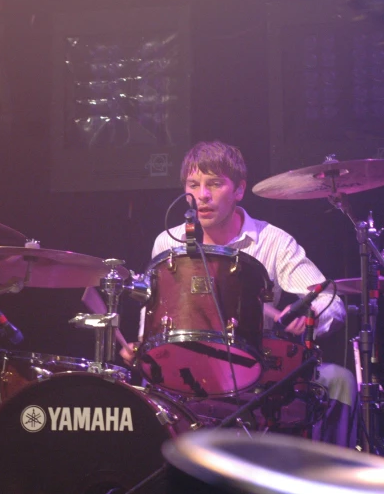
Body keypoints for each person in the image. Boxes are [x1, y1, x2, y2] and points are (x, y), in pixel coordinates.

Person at [121, 140, 357, 448]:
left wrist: (309, 315)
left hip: (258, 374)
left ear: (239, 190)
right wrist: (142, 344)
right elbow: (152, 309)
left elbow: (330, 302)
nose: (202, 195)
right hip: (184, 368)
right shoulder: (168, 242)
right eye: (194, 185)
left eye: (215, 184)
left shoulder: (272, 241)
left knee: (340, 381)